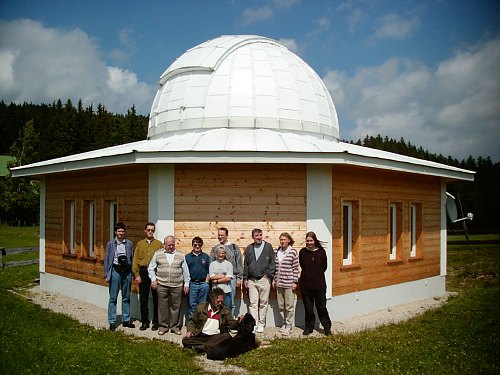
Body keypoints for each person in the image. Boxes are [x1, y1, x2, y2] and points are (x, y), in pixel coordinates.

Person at [148, 235, 190, 335]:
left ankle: (174, 327)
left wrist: (186, 284)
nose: (171, 246)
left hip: (177, 285)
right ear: (164, 244)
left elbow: (185, 271)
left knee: (176, 307)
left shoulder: (180, 254)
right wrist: (153, 279)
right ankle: (163, 326)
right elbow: (151, 268)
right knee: (162, 307)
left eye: (173, 244)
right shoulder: (158, 253)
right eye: (169, 245)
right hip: (162, 284)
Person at [182, 287, 241, 354]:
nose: (220, 303)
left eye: (222, 301)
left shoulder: (225, 310)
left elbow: (231, 323)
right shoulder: (201, 307)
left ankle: (202, 347)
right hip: (201, 335)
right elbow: (192, 321)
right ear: (212, 300)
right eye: (218, 301)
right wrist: (190, 331)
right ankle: (208, 347)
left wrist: (238, 322)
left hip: (216, 337)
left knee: (227, 337)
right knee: (185, 340)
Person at [299, 231, 332, 336]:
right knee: (308, 308)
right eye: (307, 241)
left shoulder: (321, 252)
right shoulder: (303, 252)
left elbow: (324, 267)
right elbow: (303, 265)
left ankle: (327, 328)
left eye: (311, 240)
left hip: (319, 285)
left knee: (321, 307)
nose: (309, 243)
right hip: (306, 285)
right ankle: (309, 327)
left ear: (315, 240)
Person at [243, 228, 275, 333]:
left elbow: (272, 262)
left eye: (260, 235)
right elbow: (246, 264)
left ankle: (261, 324)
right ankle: (254, 324)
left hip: (264, 280)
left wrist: (268, 275)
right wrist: (245, 278)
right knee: (253, 303)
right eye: (256, 235)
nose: (259, 237)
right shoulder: (249, 248)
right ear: (253, 237)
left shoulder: (268, 247)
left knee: (263, 303)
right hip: (252, 280)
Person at [104, 222, 135, 331]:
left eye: (122, 231)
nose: (121, 233)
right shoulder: (110, 244)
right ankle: (112, 321)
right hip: (115, 271)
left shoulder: (129, 244)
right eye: (119, 231)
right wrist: (107, 274)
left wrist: (132, 273)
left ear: (124, 232)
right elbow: (107, 260)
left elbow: (132, 258)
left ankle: (126, 319)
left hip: (126, 272)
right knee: (113, 298)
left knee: (126, 297)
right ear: (115, 232)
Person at [132, 222, 162, 331]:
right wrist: (137, 274)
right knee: (143, 299)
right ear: (145, 230)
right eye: (148, 230)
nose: (150, 232)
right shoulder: (140, 244)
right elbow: (135, 260)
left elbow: (161, 260)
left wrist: (158, 277)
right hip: (143, 272)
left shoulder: (159, 245)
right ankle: (144, 322)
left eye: (152, 230)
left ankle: (156, 322)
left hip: (155, 273)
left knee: (156, 299)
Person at [210, 227, 242, 314]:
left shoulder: (234, 248)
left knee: (230, 302)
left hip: (231, 279)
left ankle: (229, 322)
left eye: (222, 235)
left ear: (227, 235)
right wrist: (216, 279)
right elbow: (211, 264)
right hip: (216, 281)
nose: (220, 237)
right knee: (216, 302)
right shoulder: (214, 249)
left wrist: (239, 278)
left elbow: (239, 263)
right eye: (219, 235)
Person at [272, 232, 299, 336]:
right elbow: (275, 268)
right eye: (281, 240)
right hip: (279, 282)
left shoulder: (292, 252)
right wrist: (274, 279)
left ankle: (289, 325)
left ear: (288, 240)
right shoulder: (276, 251)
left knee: (289, 305)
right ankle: (284, 323)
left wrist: (294, 281)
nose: (282, 241)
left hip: (289, 283)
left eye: (284, 239)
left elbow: (295, 268)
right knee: (281, 305)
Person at [185, 236, 211, 318]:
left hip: (203, 284)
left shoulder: (206, 257)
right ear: (192, 245)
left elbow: (209, 270)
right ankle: (192, 326)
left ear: (201, 245)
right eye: (195, 245)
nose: (197, 246)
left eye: (199, 245)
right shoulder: (187, 257)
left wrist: (206, 282)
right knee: (192, 305)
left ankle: (201, 325)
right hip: (192, 284)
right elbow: (185, 271)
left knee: (202, 306)